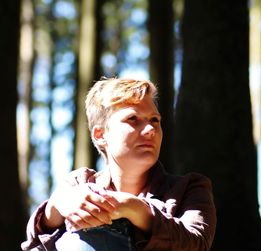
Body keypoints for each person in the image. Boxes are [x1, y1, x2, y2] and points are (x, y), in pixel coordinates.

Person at [21, 77, 216, 251]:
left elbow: (196, 243)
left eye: (155, 120)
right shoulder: (79, 183)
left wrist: (134, 208)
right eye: (133, 119)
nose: (150, 129)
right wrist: (56, 206)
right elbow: (33, 245)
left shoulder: (189, 189)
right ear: (100, 135)